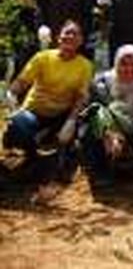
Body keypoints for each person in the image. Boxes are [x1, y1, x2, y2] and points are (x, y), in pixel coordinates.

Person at [3, 21, 94, 167]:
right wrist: (10, 95)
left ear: (81, 41)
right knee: (19, 126)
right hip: (34, 111)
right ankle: (31, 154)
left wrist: (71, 121)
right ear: (58, 37)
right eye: (67, 33)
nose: (70, 36)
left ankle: (60, 148)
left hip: (62, 114)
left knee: (76, 129)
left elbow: (81, 97)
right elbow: (21, 81)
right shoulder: (42, 57)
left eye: (75, 33)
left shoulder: (86, 66)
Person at [78, 45, 133, 183]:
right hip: (103, 131)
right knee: (89, 132)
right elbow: (90, 113)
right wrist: (109, 134)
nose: (129, 69)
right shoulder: (101, 83)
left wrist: (128, 138)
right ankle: (99, 171)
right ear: (116, 63)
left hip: (129, 129)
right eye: (124, 64)